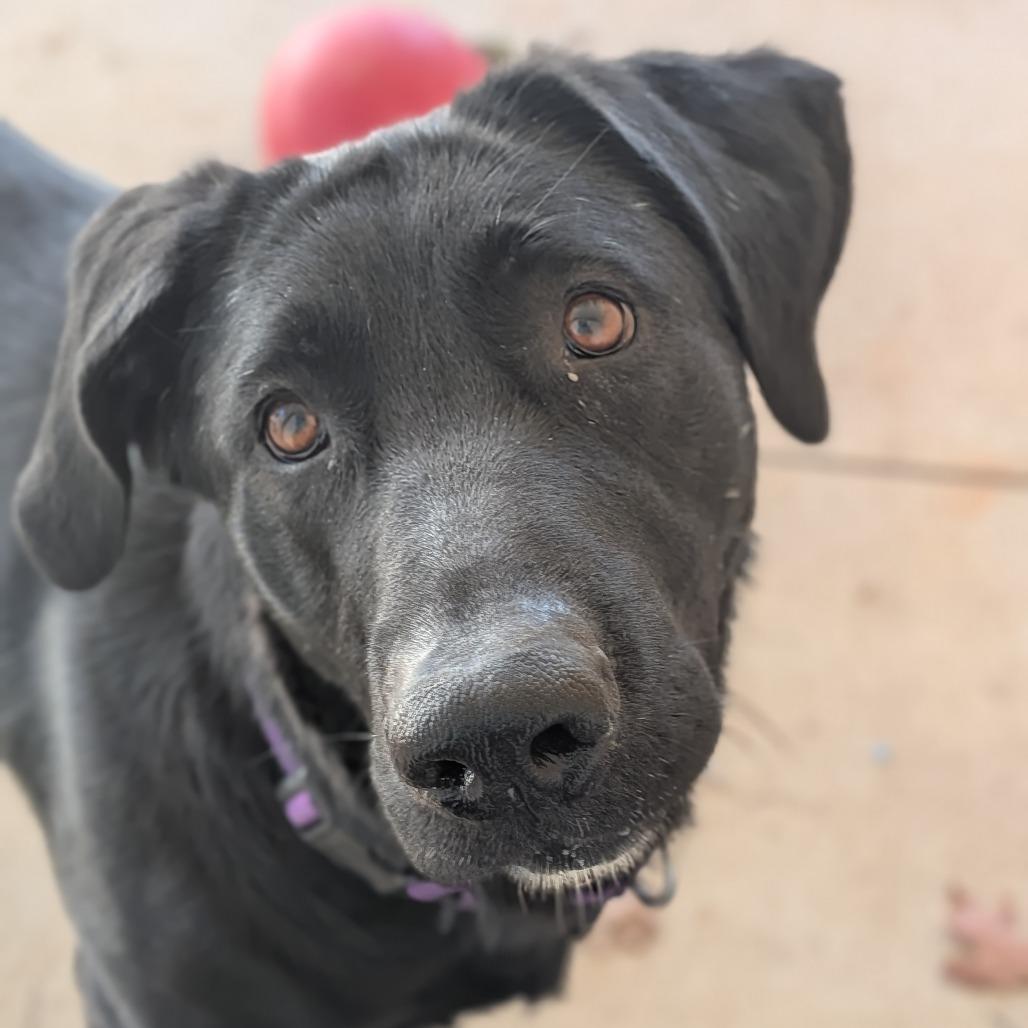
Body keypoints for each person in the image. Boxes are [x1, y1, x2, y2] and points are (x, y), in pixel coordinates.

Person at [945, 886, 1028, 988]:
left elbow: (1004, 920)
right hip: (993, 946)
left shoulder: (978, 911)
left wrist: (1006, 910)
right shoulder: (958, 920)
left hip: (1000, 943)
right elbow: (970, 938)